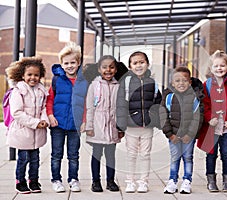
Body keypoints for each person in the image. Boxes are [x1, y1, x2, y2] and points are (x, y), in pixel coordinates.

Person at [197, 50, 227, 192]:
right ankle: (211, 181)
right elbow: (204, 104)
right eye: (216, 66)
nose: (219, 68)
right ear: (211, 68)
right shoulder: (206, 85)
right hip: (212, 127)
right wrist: (209, 117)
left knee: (226, 155)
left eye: (222, 66)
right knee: (211, 154)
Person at [116, 51, 162, 193]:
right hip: (131, 125)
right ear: (130, 66)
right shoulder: (126, 82)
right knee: (131, 154)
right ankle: (130, 181)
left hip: (147, 126)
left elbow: (157, 102)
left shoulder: (152, 82)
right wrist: (121, 125)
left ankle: (143, 182)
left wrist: (154, 119)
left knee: (145, 155)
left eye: (141, 62)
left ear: (147, 64)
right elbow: (121, 104)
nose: (139, 65)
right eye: (135, 63)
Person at [6, 57, 49, 194]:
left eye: (36, 75)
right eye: (29, 74)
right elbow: (17, 113)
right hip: (23, 132)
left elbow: (43, 108)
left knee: (35, 159)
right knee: (23, 159)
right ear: (22, 75)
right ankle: (21, 181)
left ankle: (34, 180)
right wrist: (36, 123)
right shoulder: (18, 90)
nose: (33, 78)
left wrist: (44, 120)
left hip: (37, 134)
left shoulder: (41, 90)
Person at [159, 67, 204, 194]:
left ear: (190, 82)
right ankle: (172, 180)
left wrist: (190, 134)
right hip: (173, 135)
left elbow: (198, 118)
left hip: (188, 136)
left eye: (184, 80)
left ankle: (187, 181)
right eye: (177, 81)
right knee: (175, 158)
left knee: (188, 157)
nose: (181, 83)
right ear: (172, 83)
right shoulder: (168, 97)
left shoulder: (195, 97)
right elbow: (163, 116)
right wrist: (169, 134)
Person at [46, 42, 82, 193]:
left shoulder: (83, 81)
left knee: (73, 155)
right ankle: (56, 179)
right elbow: (50, 99)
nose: (69, 66)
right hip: (58, 124)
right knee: (56, 154)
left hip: (75, 124)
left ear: (78, 63)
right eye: (66, 63)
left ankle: (73, 179)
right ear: (61, 64)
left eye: (73, 62)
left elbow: (86, 102)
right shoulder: (56, 80)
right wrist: (50, 115)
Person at [84, 55, 123, 192]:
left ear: (116, 69)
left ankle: (111, 181)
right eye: (104, 67)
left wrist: (120, 127)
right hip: (97, 125)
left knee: (111, 156)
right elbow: (90, 107)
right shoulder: (94, 86)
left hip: (112, 125)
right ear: (99, 69)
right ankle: (95, 181)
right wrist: (89, 126)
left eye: (111, 67)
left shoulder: (118, 86)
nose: (108, 70)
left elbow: (120, 108)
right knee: (97, 154)